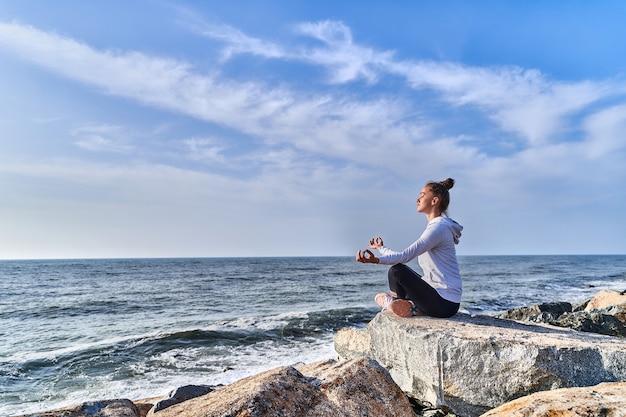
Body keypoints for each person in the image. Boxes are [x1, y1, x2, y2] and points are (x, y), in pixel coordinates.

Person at [356, 178, 463, 318]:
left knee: (397, 271)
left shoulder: (438, 228)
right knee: (397, 270)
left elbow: (404, 257)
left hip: (444, 303)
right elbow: (402, 256)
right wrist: (382, 248)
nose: (417, 199)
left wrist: (376, 260)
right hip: (445, 301)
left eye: (422, 195)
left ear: (434, 201)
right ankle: (409, 307)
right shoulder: (439, 226)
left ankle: (393, 304)